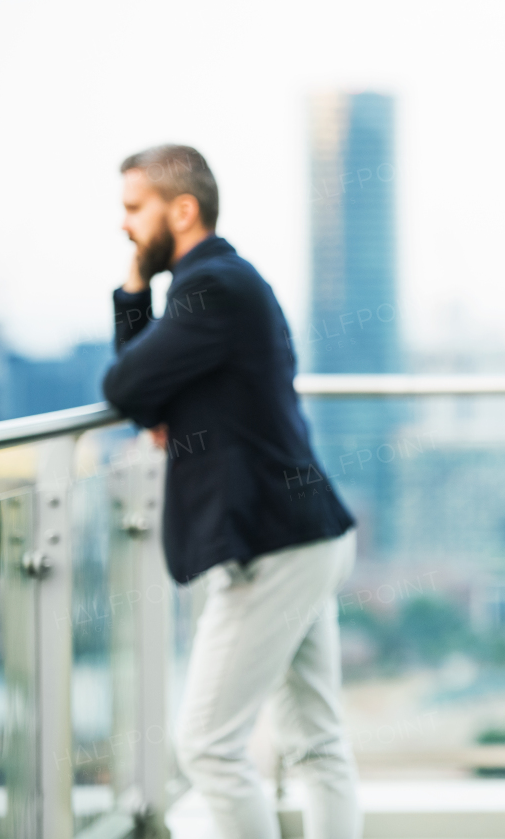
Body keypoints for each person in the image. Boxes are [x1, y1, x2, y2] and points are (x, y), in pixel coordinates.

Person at [102, 144, 360, 839]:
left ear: (182, 209)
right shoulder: (226, 284)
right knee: (315, 738)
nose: (124, 225)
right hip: (307, 532)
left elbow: (125, 386)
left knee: (208, 744)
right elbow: (150, 395)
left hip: (273, 543)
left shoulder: (211, 287)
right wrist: (138, 291)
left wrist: (132, 289)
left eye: (134, 208)